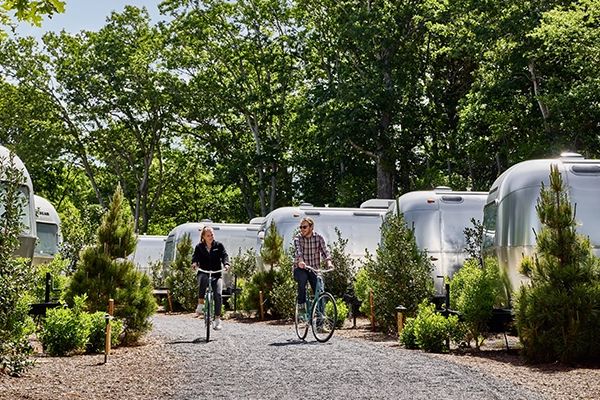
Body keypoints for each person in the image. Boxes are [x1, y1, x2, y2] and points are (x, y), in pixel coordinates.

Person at [191, 225, 230, 331]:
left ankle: (217, 319)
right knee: (203, 279)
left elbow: (224, 255)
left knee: (218, 294)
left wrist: (226, 264)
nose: (210, 237)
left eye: (212, 235)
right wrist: (194, 263)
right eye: (208, 235)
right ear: (203, 237)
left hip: (216, 273)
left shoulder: (219, 245)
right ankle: (200, 303)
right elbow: (195, 257)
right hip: (204, 272)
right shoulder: (199, 247)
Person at [293, 217, 334, 315]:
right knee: (303, 277)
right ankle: (301, 304)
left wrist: (329, 263)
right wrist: (301, 261)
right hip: (301, 268)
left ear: (311, 227)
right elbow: (298, 252)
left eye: (304, 227)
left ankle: (321, 322)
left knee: (319, 290)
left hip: (314, 269)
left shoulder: (318, 238)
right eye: (301, 227)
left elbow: (325, 252)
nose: (302, 229)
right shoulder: (298, 238)